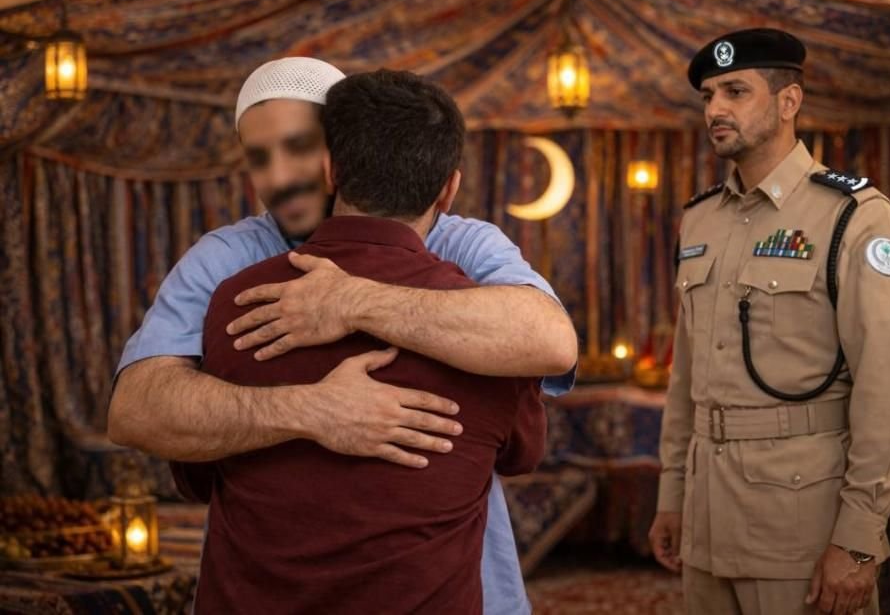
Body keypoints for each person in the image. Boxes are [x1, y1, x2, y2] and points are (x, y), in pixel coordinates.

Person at [107, 58, 577, 615]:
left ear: (339, 155)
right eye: (259, 157)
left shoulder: (463, 243)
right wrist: (313, 410)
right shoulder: (225, 260)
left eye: (298, 147)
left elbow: (549, 339)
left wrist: (352, 301)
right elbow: (135, 411)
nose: (279, 177)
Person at [648, 28, 890, 615]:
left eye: (736, 91)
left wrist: (859, 537)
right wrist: (672, 495)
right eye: (708, 96)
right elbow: (685, 377)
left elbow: (887, 391)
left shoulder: (855, 218)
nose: (715, 110)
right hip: (707, 519)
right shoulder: (700, 220)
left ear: (788, 101)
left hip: (800, 527)